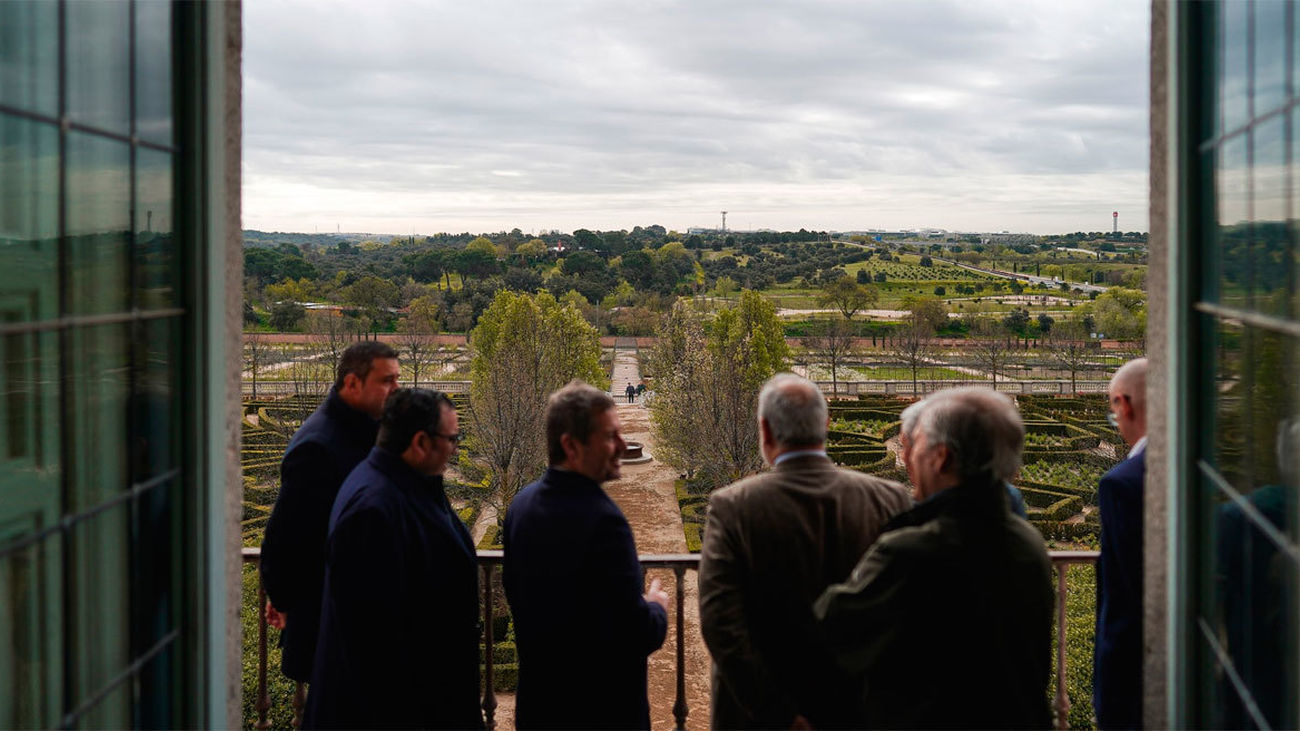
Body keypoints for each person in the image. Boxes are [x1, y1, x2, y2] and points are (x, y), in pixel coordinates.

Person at [815, 387, 1054, 729]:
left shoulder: (913, 551)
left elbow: (829, 634)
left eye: (917, 444)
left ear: (941, 457)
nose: (909, 457)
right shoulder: (1029, 543)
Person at [698, 373, 912, 728]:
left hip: (758, 718)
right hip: (854, 710)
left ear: (765, 430)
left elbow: (721, 624)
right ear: (826, 425)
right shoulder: (889, 499)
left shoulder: (732, 506)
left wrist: (779, 713)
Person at [303, 388, 482, 729]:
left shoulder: (401, 487)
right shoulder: (372, 510)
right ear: (420, 442)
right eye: (452, 439)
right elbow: (374, 650)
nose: (456, 448)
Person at [503, 381, 668, 729]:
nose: (622, 445)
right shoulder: (604, 520)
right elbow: (635, 633)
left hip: (539, 707)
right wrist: (656, 607)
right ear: (571, 446)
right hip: (600, 712)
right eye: (610, 436)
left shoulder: (521, 504)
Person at [259, 341, 400, 683]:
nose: (397, 389)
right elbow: (284, 538)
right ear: (352, 383)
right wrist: (284, 599)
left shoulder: (361, 428)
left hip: (354, 619)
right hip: (333, 624)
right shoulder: (318, 447)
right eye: (387, 381)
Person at [1094, 357, 1148, 729]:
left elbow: (1124, 594)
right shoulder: (1202, 463)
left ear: (1123, 404)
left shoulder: (1122, 483)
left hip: (1135, 681)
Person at [900, 399, 1028, 518]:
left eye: (907, 447)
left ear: (941, 453)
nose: (904, 456)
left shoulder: (918, 514)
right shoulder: (1007, 495)